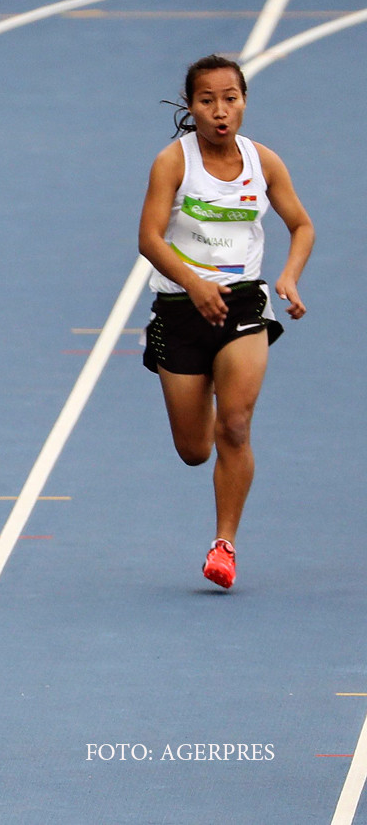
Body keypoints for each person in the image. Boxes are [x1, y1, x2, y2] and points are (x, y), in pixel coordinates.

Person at [138, 54, 313, 589]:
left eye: (230, 98)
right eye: (207, 100)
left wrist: (288, 276)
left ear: (244, 101)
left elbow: (301, 224)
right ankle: (204, 381)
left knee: (235, 424)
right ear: (190, 107)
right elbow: (148, 239)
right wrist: (194, 284)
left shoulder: (265, 163)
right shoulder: (173, 162)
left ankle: (224, 546)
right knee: (195, 450)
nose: (220, 110)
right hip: (180, 308)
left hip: (242, 306)